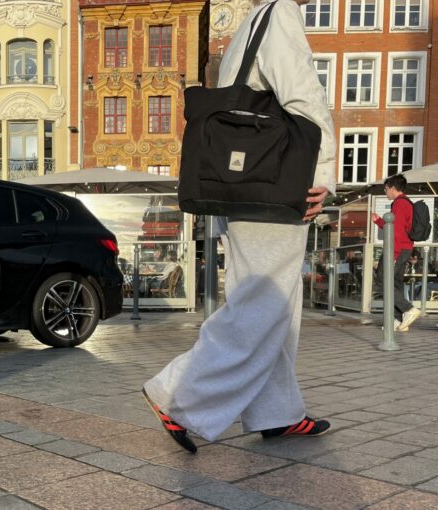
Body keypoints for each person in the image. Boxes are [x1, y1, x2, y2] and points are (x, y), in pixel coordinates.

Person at [142, 0, 336, 454]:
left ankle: (278, 412)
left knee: (274, 302)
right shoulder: (280, 13)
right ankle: (177, 396)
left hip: (248, 184)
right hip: (276, 183)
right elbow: (304, 100)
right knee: (263, 304)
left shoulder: (251, 21)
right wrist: (322, 172)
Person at [371, 174, 421, 332]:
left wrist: (393, 255)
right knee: (396, 283)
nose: (385, 191)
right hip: (404, 248)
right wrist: (379, 221)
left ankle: (408, 309)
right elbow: (394, 227)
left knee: (383, 281)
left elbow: (396, 232)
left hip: (397, 249)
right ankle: (397, 320)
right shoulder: (406, 203)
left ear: (393, 188)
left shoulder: (399, 204)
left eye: (386, 188)